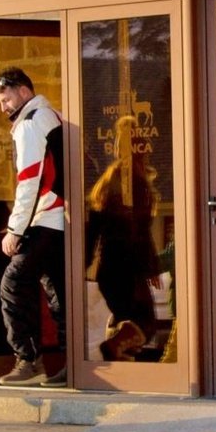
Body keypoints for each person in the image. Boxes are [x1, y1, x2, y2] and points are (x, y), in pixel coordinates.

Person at [0, 67, 67, 387]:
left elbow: (30, 179)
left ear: (23, 92)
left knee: (12, 284)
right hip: (60, 221)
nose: (3, 107)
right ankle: (72, 363)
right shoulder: (53, 116)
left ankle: (28, 359)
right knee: (58, 293)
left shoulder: (31, 123)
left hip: (44, 220)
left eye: (6, 99)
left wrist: (15, 230)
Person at [86, 115, 160, 361]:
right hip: (128, 267)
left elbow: (95, 224)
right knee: (145, 323)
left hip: (109, 266)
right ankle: (113, 349)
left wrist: (86, 260)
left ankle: (120, 362)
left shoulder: (108, 180)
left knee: (125, 319)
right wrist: (151, 268)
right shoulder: (135, 181)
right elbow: (139, 229)